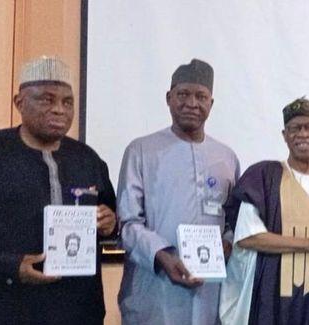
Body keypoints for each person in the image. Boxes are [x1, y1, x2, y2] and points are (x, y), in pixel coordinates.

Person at [0, 56, 117, 324]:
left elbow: (111, 221)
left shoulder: (87, 160)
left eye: (67, 102)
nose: (59, 109)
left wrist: (110, 223)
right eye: (46, 99)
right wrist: (9, 265)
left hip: (77, 312)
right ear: (19, 102)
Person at [116, 59, 239, 325]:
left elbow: (233, 220)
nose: (191, 104)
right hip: (155, 288)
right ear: (169, 98)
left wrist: (227, 244)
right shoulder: (141, 151)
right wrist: (162, 255)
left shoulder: (227, 158)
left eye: (200, 96)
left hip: (210, 289)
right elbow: (128, 222)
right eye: (183, 94)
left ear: (211, 104)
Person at [219, 97, 309, 325]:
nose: (303, 134)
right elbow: (248, 237)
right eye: (295, 128)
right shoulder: (264, 176)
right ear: (284, 135)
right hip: (274, 297)